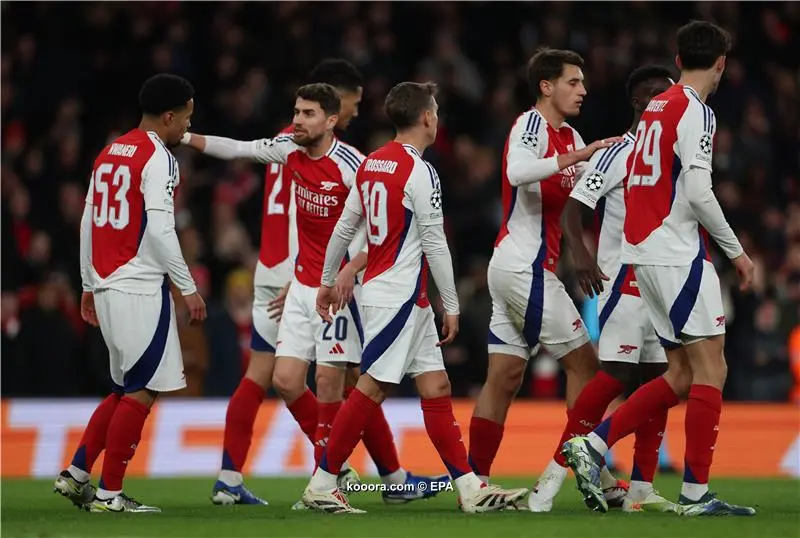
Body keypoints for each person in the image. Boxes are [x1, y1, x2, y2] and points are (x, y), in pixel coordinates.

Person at [182, 79, 445, 506]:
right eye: (296, 112)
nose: (296, 121)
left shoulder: (352, 165)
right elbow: (239, 148)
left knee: (330, 380)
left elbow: (374, 231)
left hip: (341, 289)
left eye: (306, 114)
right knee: (286, 381)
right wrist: (187, 137)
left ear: (330, 120)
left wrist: (349, 271)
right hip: (304, 285)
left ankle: (332, 483)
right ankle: (353, 471)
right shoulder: (288, 149)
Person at [301, 81, 529, 514]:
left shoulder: (370, 165)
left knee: (436, 385)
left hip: (401, 296)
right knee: (371, 387)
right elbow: (435, 243)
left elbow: (345, 228)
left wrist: (328, 280)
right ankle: (323, 482)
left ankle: (469, 489)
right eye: (436, 110)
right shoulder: (419, 170)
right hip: (400, 295)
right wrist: (453, 303)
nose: (438, 117)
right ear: (427, 117)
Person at [561, 20, 756, 517]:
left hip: (642, 255)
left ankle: (595, 444)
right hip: (676, 252)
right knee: (713, 367)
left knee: (681, 372)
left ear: (677, 61)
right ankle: (695, 493)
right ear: (721, 64)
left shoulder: (655, 109)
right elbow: (697, 191)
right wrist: (735, 250)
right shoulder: (694, 109)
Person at [464, 47, 624, 512]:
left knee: (504, 377)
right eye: (574, 81)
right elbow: (516, 172)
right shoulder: (531, 126)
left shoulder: (571, 134)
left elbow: (579, 200)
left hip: (520, 268)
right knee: (587, 369)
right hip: (523, 269)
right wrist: (579, 155)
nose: (583, 90)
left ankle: (474, 484)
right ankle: (585, 470)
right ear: (546, 86)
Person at [54, 73, 206, 513]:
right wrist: (188, 287)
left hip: (105, 282)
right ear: (169, 116)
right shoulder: (159, 157)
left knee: (124, 388)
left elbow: (88, 222)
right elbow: (161, 229)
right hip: (138, 286)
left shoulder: (109, 151)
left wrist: (87, 283)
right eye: (186, 120)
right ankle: (109, 494)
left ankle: (78, 473)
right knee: (141, 391)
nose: (186, 130)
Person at [561, 64, 677, 513]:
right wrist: (583, 257)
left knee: (657, 380)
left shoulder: (668, 157)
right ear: (637, 102)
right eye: (656, 96)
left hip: (659, 282)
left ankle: (644, 490)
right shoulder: (617, 153)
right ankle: (561, 465)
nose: (665, 104)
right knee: (615, 374)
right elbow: (575, 210)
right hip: (618, 280)